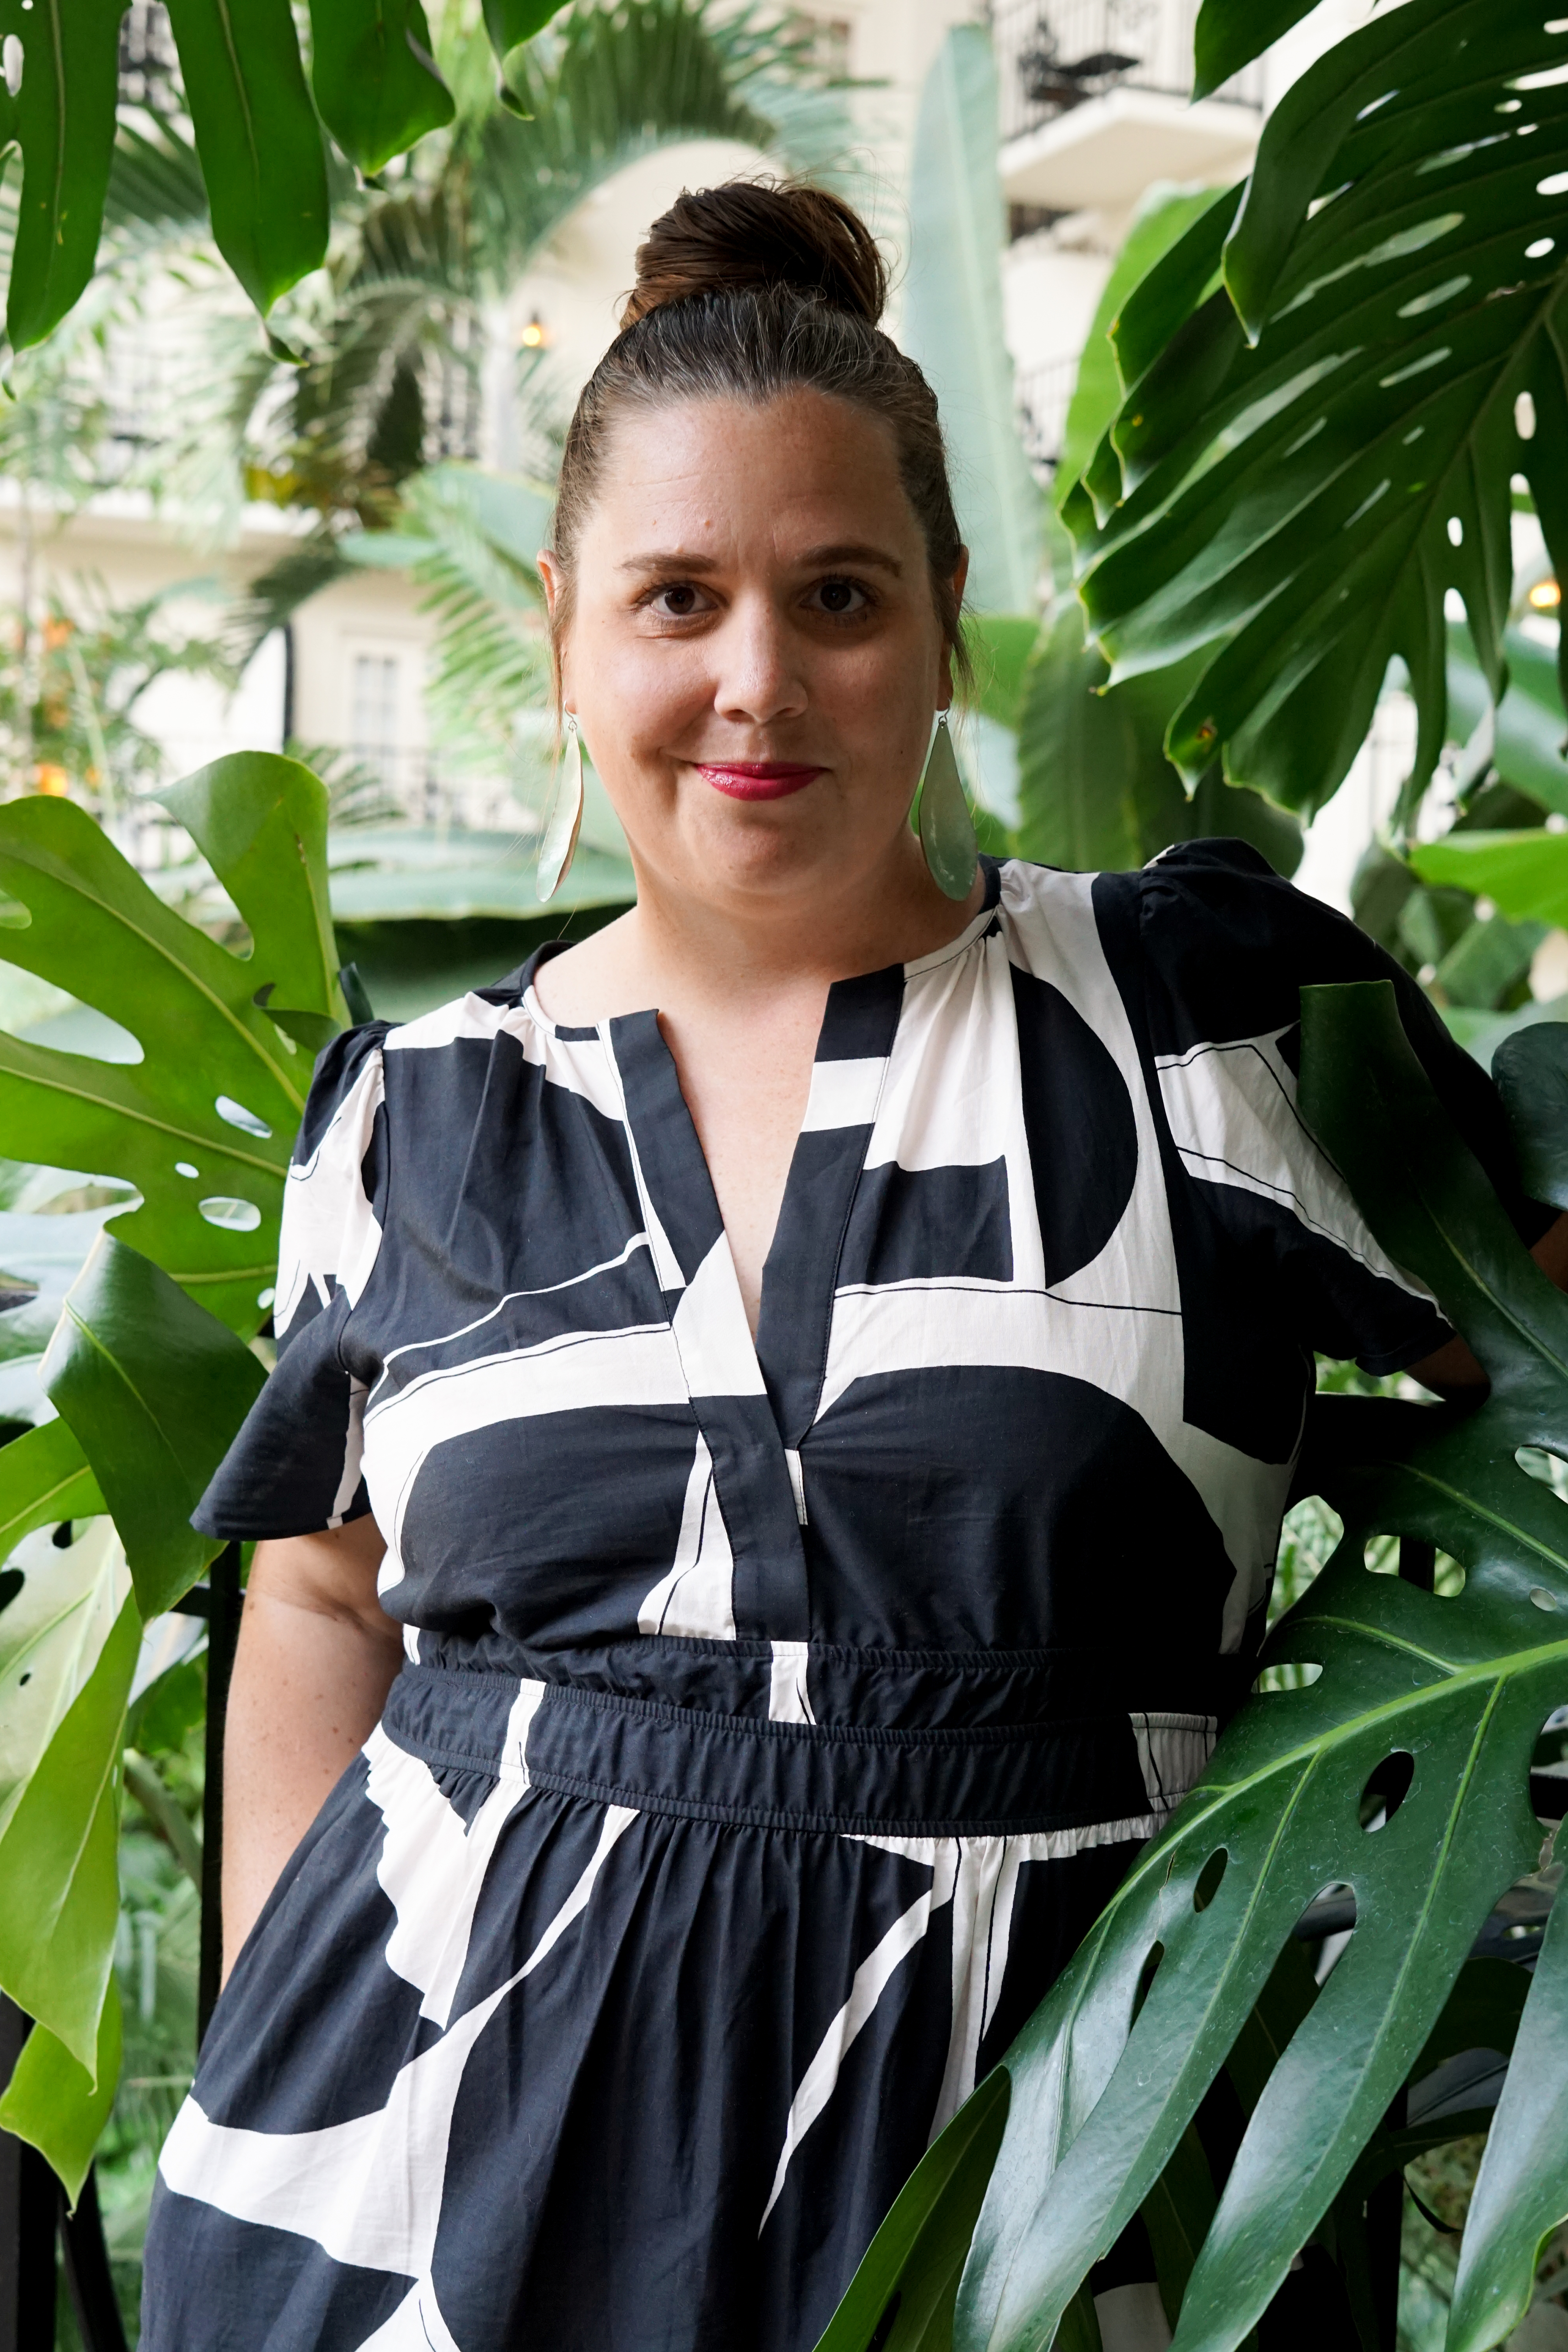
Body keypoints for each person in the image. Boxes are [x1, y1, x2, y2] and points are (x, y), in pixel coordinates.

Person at [139, 180, 1565, 2352]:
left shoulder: (1196, 1017)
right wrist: (279, 2041)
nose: (757, 682)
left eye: (836, 596)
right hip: (426, 2178)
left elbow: (1534, 1354)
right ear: (564, 626)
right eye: (677, 598)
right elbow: (325, 1586)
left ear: (946, 611)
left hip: (1057, 2171)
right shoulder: (418, 1111)